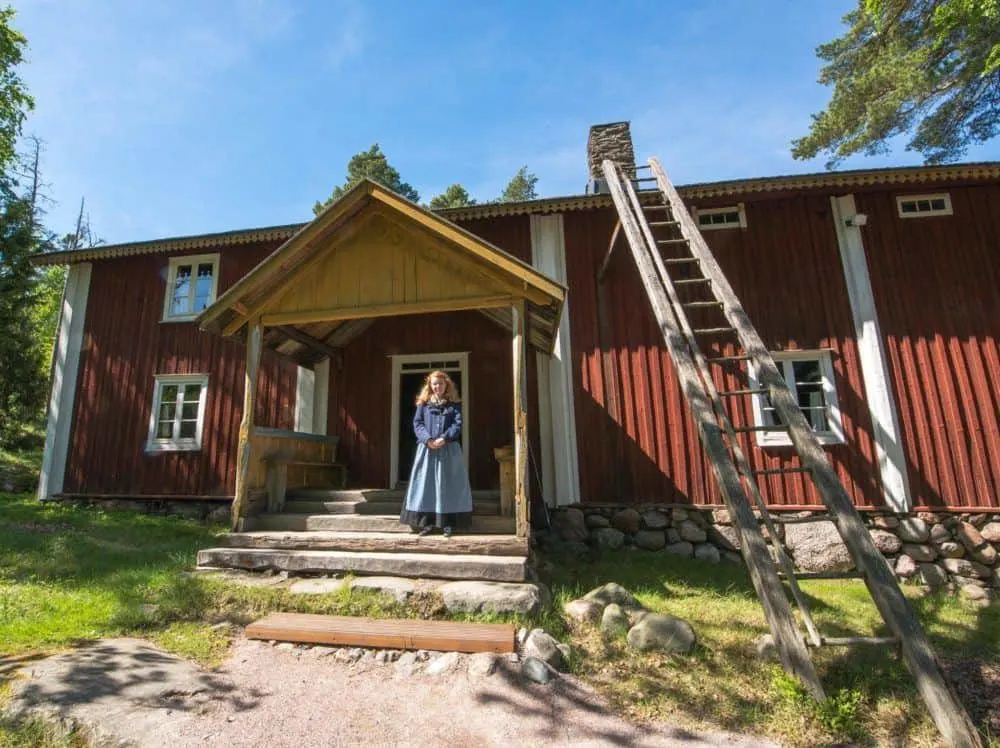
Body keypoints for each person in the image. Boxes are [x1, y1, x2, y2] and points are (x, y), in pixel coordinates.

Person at [399, 370, 473, 537]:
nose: (437, 386)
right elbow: (417, 424)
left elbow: (457, 424)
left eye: (440, 383)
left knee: (449, 486)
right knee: (427, 485)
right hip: (427, 450)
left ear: (446, 385)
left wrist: (444, 438)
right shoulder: (423, 405)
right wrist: (428, 440)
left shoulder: (453, 404)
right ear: (430, 386)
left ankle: (448, 524)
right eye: (434, 384)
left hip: (449, 451)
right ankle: (427, 523)